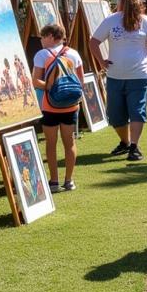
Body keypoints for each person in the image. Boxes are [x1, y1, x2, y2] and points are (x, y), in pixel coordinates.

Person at [90, 0, 147, 162]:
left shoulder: (144, 21)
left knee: (133, 112)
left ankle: (133, 145)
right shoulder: (113, 20)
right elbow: (94, 42)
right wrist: (102, 62)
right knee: (118, 114)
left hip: (134, 75)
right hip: (120, 75)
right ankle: (127, 143)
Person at [32, 22, 85, 191]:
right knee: (69, 143)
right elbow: (80, 81)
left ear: (50, 36)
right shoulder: (74, 53)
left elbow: (35, 81)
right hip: (71, 106)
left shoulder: (42, 55)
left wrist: (50, 87)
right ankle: (69, 180)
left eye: (42, 36)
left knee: (51, 143)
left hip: (50, 106)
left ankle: (54, 181)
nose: (41, 40)